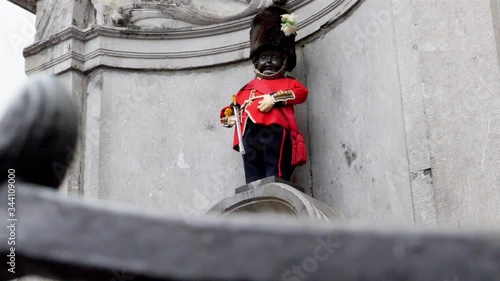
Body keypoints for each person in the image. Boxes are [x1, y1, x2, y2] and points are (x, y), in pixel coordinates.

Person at [220, 5, 309, 184]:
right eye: (263, 58)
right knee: (252, 169)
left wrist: (274, 98)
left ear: (284, 60)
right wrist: (228, 117)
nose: (268, 62)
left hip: (274, 129)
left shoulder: (288, 82)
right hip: (249, 133)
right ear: (255, 61)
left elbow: (301, 93)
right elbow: (234, 107)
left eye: (274, 57)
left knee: (273, 166)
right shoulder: (247, 88)